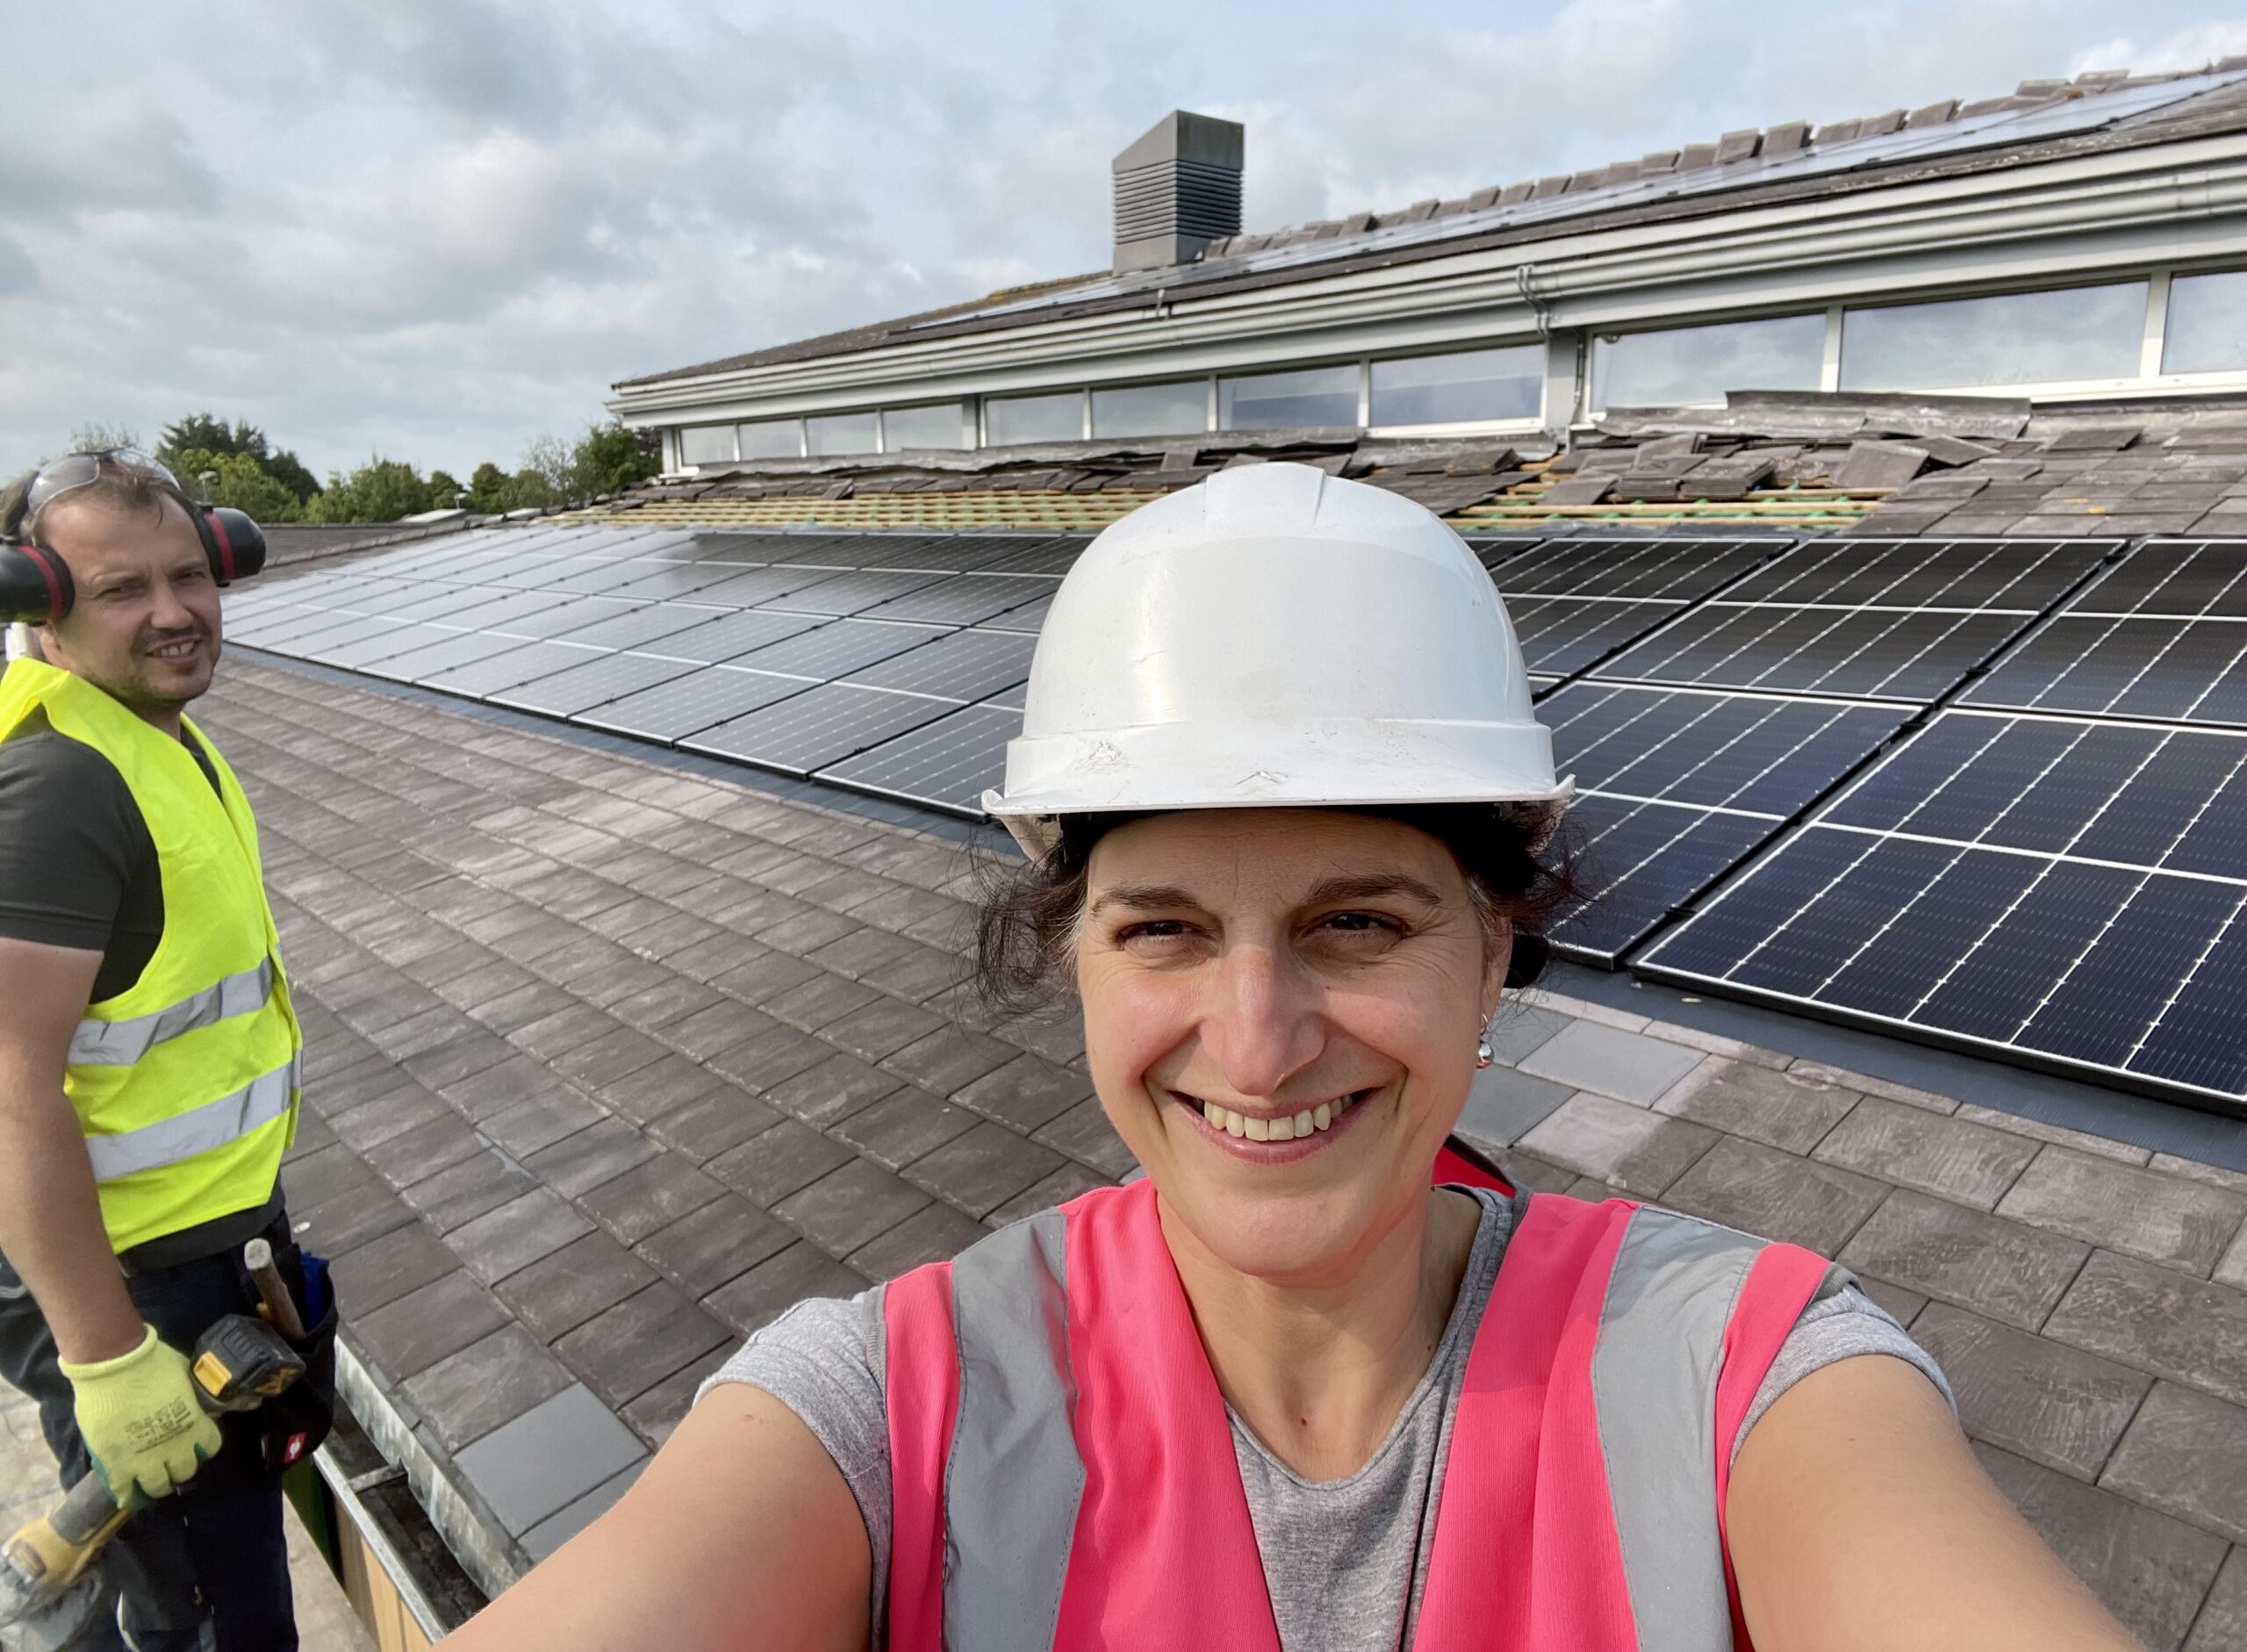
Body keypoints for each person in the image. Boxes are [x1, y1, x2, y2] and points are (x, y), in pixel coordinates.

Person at [447, 464, 2136, 1651]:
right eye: (1164, 930)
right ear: (1077, 955)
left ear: (1497, 948)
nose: (1256, 1046)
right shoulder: (885, 1411)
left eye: (1358, 924)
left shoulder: (1744, 1377)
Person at [0, 450, 327, 1651]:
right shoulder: (63, 787)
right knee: (211, 1623)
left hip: (203, 1258)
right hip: (134, 1292)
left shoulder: (149, 736)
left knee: (229, 1592)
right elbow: (6, 1089)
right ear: (41, 603)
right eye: (122, 589)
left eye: (190, 574)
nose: (175, 610)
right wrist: (106, 1359)